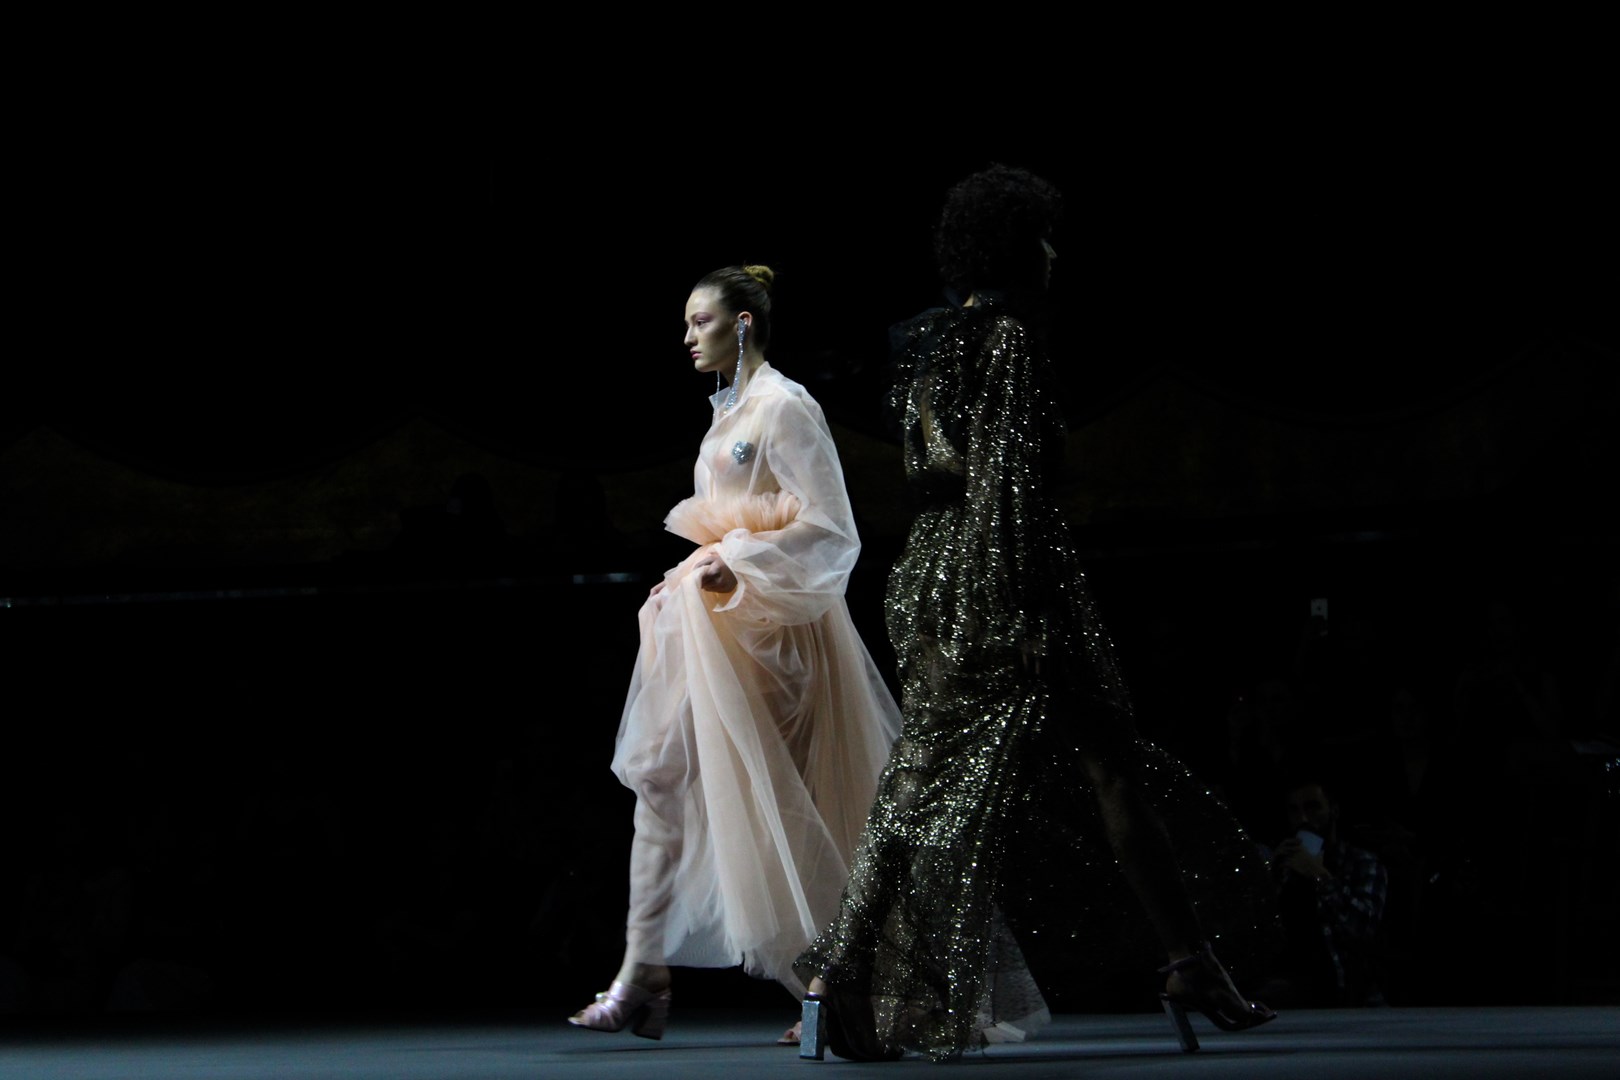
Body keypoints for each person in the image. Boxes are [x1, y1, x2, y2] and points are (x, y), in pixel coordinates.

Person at [794, 166, 1279, 1061]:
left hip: (929, 568)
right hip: (1006, 574)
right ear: (1017, 249)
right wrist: (1011, 606)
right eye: (1045, 240)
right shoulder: (1008, 340)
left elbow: (938, 469)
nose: (1056, 256)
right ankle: (847, 965)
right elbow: (1004, 483)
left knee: (959, 772)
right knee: (1066, 770)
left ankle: (842, 972)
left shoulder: (926, 344)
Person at [567, 265, 903, 1041]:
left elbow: (830, 527)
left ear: (743, 323)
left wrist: (740, 563)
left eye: (702, 320)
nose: (689, 336)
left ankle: (835, 981)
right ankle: (642, 969)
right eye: (688, 322)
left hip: (773, 631)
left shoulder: (784, 405)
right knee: (661, 775)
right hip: (715, 625)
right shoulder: (725, 413)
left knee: (781, 802)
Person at [1258, 775, 1389, 1007]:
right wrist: (1270, 878)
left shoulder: (1362, 862)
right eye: (1294, 811)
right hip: (1288, 985)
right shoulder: (1283, 866)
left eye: (1313, 807)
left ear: (1333, 810)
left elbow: (1362, 930)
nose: (1303, 819)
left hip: (1344, 987)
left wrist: (1319, 875)